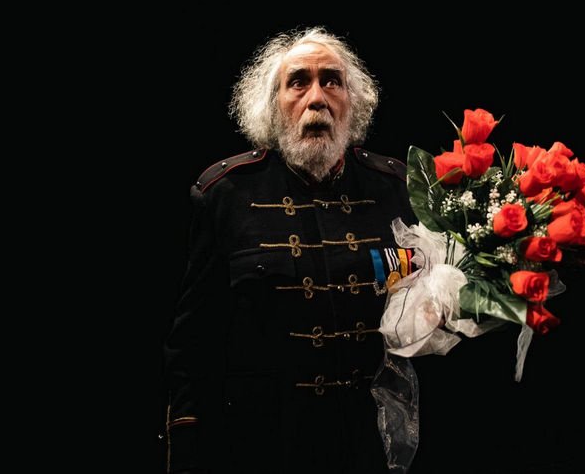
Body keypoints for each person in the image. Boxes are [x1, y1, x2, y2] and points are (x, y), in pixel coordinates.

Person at [162, 27, 417, 473]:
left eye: (332, 81)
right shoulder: (224, 194)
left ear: (352, 101)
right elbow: (194, 339)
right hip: (264, 443)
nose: (317, 98)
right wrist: (188, 443)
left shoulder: (396, 188)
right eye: (298, 82)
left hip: (375, 443)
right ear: (273, 104)